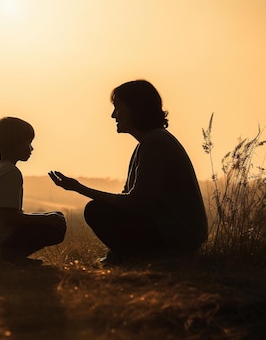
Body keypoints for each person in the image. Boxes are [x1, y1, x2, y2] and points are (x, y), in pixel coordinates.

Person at [49, 79, 207, 265]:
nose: (113, 115)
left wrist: (79, 188)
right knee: (100, 210)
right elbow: (129, 199)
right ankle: (131, 256)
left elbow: (136, 202)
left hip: (177, 236)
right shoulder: (148, 143)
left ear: (135, 108)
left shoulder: (155, 143)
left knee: (95, 210)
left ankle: (140, 257)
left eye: (118, 107)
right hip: (172, 232)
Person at [0, 117, 67, 266]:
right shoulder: (11, 172)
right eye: (28, 143)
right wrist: (46, 219)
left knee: (55, 217)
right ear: (14, 145)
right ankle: (8, 256)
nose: (31, 149)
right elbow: (9, 217)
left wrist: (47, 216)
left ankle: (9, 256)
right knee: (55, 227)